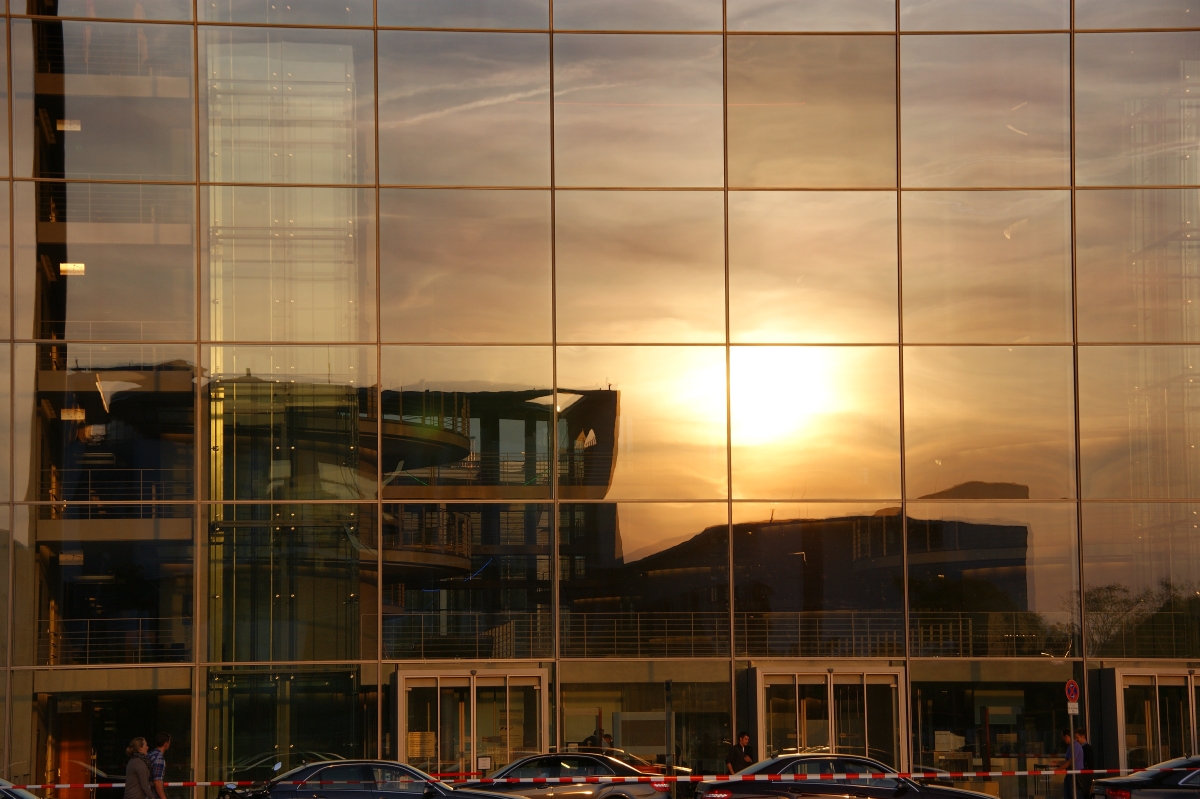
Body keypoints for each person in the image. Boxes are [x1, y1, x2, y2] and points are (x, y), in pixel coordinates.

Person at [1057, 729, 1084, 799]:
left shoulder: (1075, 746)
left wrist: (1059, 769)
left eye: (1063, 737)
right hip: (1070, 774)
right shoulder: (1070, 746)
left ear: (1066, 736)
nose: (1063, 740)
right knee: (1068, 794)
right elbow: (1068, 760)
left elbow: (1071, 761)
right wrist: (1057, 763)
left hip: (1074, 774)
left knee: (1074, 794)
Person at [147, 733, 171, 799]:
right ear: (166, 743)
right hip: (153, 794)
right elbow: (157, 781)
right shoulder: (159, 758)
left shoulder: (150, 754)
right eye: (169, 742)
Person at [1075, 729, 1095, 798]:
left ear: (1083, 737)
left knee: (1084, 794)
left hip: (1085, 776)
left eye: (1077, 737)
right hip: (1084, 775)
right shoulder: (1083, 748)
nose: (1076, 739)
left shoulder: (1086, 748)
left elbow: (1090, 763)